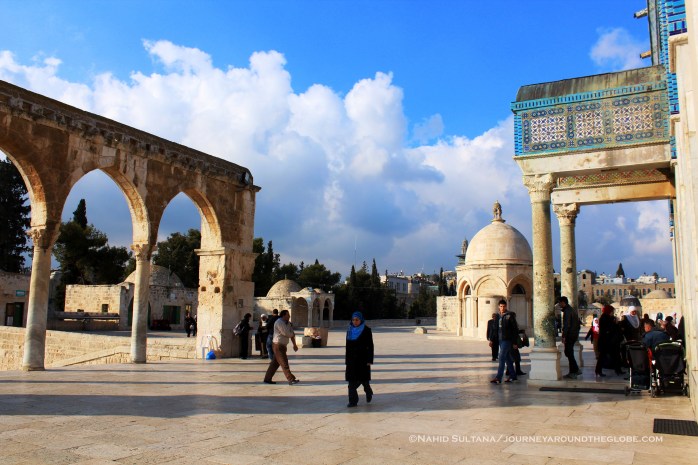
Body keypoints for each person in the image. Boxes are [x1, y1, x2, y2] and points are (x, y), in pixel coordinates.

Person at [345, 311, 374, 407]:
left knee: (363, 380)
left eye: (357, 320)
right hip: (352, 360)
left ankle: (368, 391)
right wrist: (347, 360)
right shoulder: (349, 330)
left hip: (363, 360)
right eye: (353, 319)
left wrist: (370, 360)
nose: (354, 321)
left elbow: (370, 346)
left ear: (361, 320)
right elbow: (347, 347)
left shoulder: (366, 330)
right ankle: (353, 401)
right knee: (351, 382)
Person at [263, 310, 300, 385]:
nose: (289, 316)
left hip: (283, 346)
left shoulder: (288, 323)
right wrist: (291, 334)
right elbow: (287, 333)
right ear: (283, 315)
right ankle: (290, 379)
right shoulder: (279, 322)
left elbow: (292, 334)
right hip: (278, 345)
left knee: (274, 364)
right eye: (287, 315)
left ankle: (267, 379)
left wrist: (294, 345)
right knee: (284, 362)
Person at [490, 299, 519, 384]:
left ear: (506, 306)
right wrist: (491, 339)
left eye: (504, 306)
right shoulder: (497, 316)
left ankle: (498, 377)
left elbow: (515, 329)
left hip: (507, 339)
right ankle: (513, 376)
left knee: (501, 357)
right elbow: (494, 329)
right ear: (498, 307)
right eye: (501, 306)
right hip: (500, 340)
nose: (502, 308)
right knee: (507, 358)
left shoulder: (509, 316)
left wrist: (514, 342)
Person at [596, 305, 623, 377]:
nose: (613, 313)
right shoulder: (604, 318)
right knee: (602, 357)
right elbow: (609, 329)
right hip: (606, 341)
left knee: (616, 356)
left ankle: (618, 370)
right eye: (612, 311)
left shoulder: (609, 318)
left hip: (610, 341)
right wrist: (615, 324)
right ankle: (598, 371)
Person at [559, 296, 581, 379]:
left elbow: (567, 325)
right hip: (573, 334)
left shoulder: (567, 311)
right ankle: (575, 370)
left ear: (563, 302)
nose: (559, 305)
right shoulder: (571, 310)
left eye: (560, 303)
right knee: (569, 353)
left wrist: (564, 336)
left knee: (569, 353)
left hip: (570, 335)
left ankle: (573, 372)